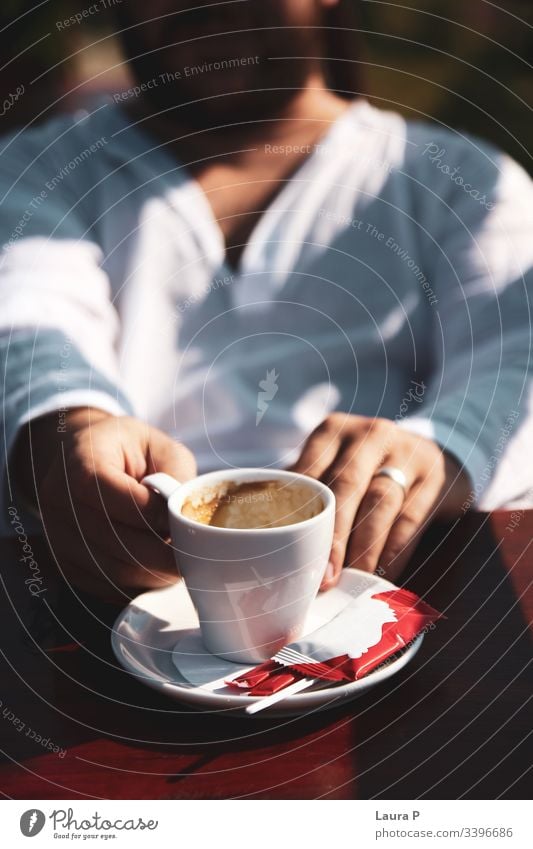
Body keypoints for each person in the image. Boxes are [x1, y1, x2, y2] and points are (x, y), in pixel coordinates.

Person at [2, 0, 532, 602]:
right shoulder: (29, 173)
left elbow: (515, 354)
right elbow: (29, 317)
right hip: (97, 620)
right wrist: (66, 427)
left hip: (417, 607)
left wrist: (443, 448)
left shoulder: (464, 182)